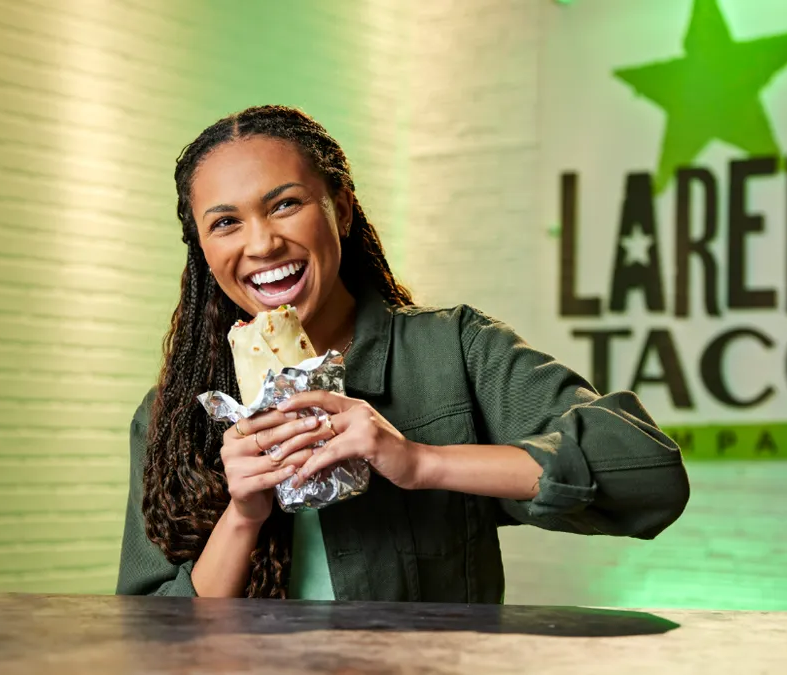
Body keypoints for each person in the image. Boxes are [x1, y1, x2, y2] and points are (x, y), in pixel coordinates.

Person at [116, 105, 689, 602]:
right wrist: (245, 513)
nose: (262, 243)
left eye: (285, 204)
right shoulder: (172, 416)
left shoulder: (453, 349)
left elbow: (647, 475)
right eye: (225, 223)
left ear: (340, 208)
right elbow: (153, 629)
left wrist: (420, 462)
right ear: (203, 249)